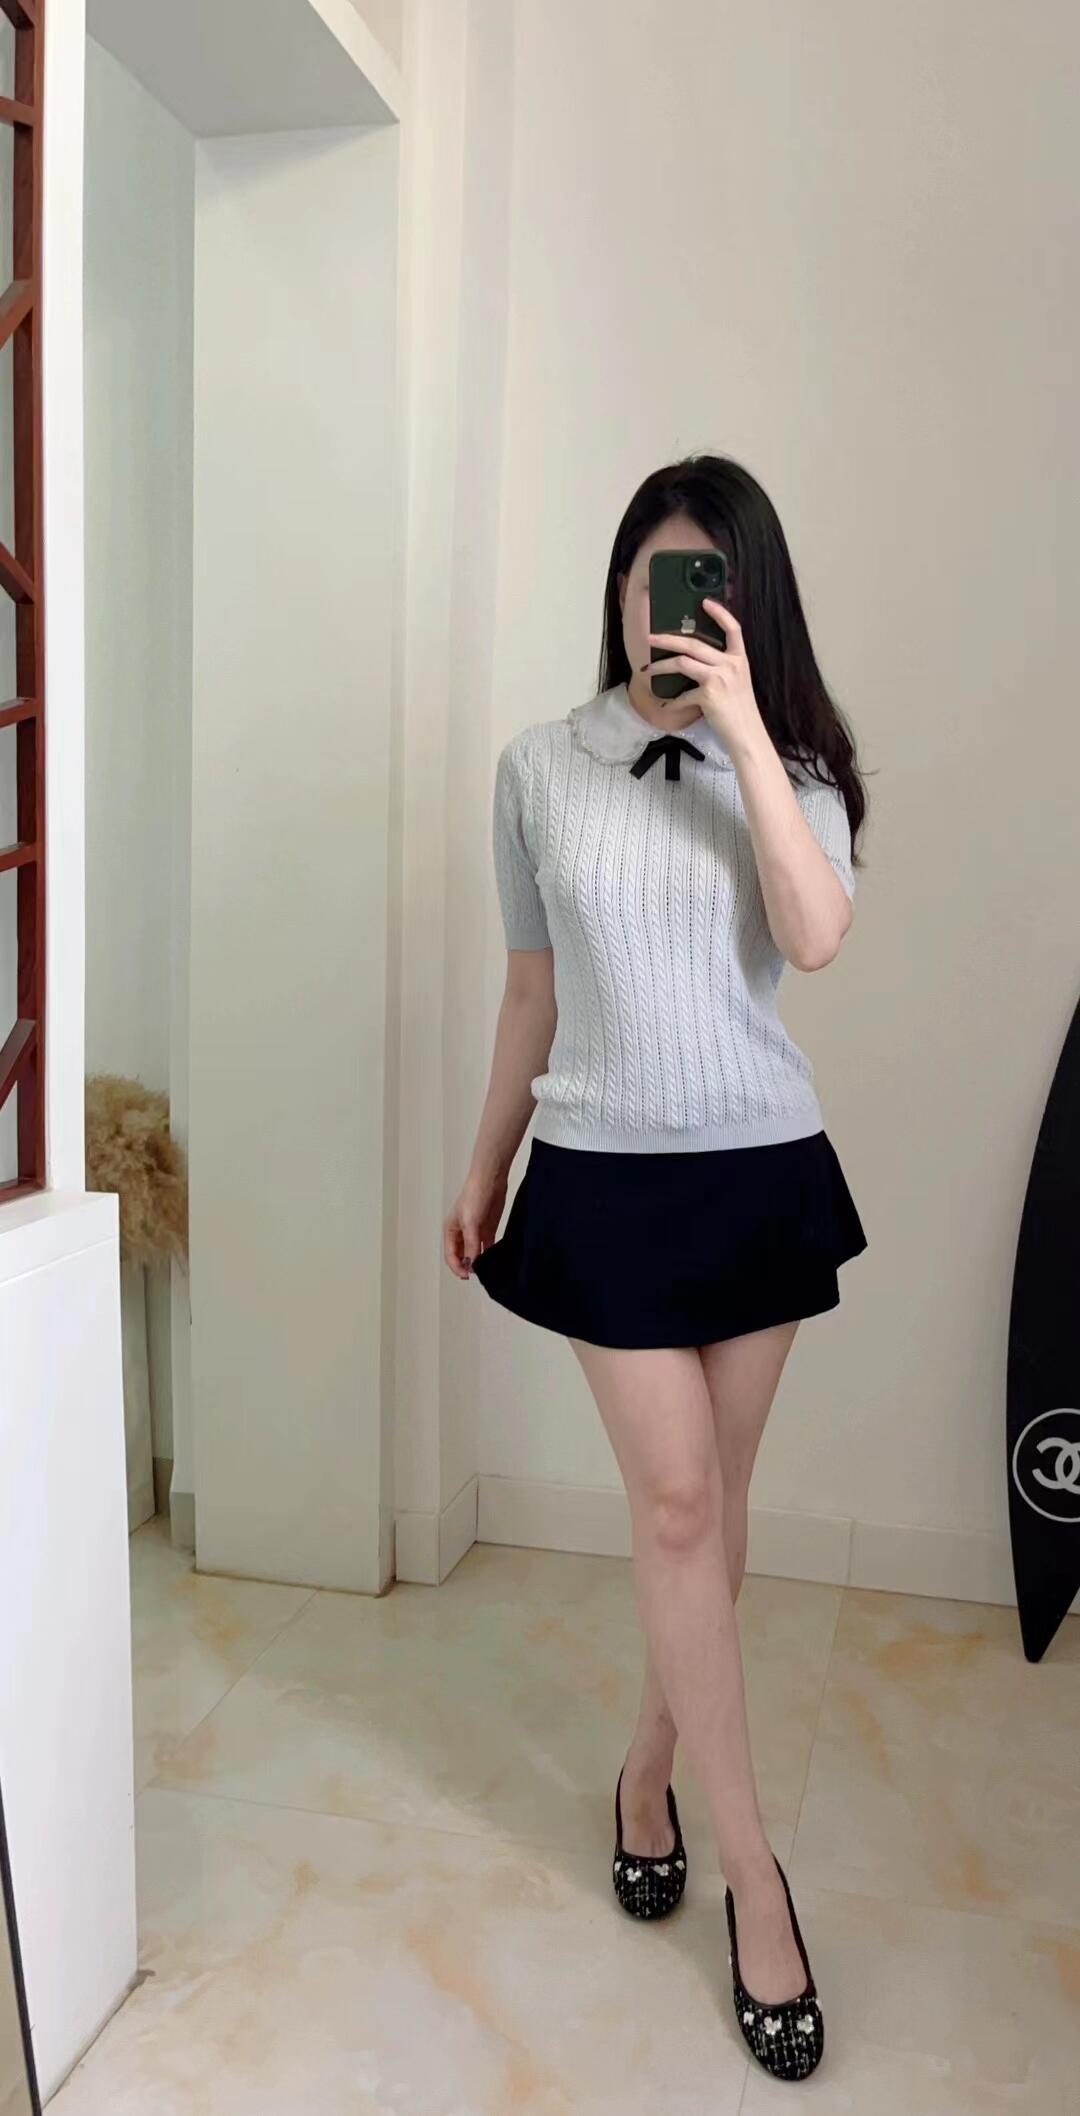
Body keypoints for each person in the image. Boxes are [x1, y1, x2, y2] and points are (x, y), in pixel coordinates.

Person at [443, 452, 868, 2082]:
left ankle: (644, 1775)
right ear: (618, 586)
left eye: (704, 583)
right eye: (651, 575)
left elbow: (814, 938)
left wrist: (747, 733)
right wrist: (484, 1166)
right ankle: (756, 1878)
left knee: (716, 1511)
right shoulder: (540, 770)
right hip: (604, 1179)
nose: (669, 608)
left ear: (750, 609)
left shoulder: (799, 771)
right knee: (680, 1508)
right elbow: (531, 994)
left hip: (758, 1174)